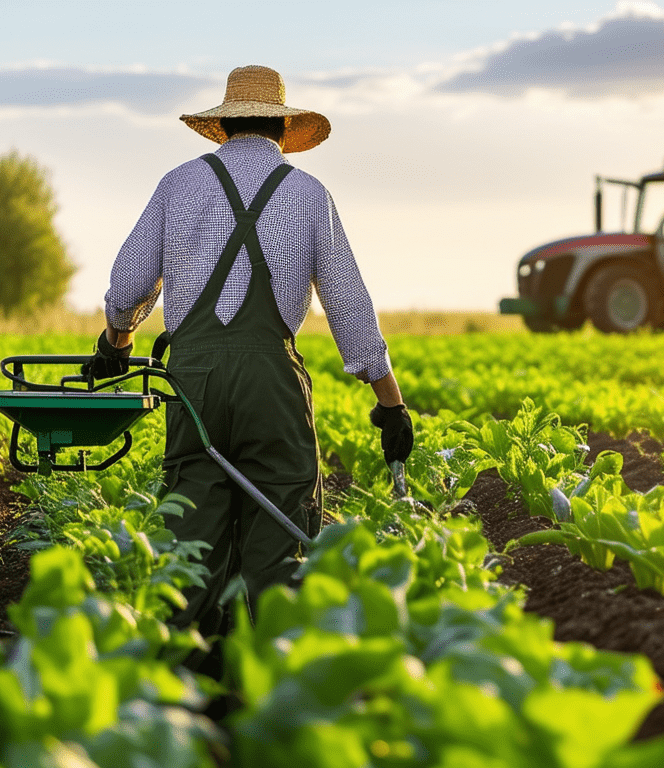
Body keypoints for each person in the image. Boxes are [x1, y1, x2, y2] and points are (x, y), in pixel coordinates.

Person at [83, 64, 414, 644]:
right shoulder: (308, 193)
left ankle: (188, 694)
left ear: (224, 126)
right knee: (280, 544)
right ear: (285, 127)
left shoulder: (177, 184)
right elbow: (350, 309)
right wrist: (390, 405)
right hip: (271, 386)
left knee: (192, 541)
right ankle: (274, 685)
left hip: (194, 384)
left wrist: (117, 344)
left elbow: (127, 288)